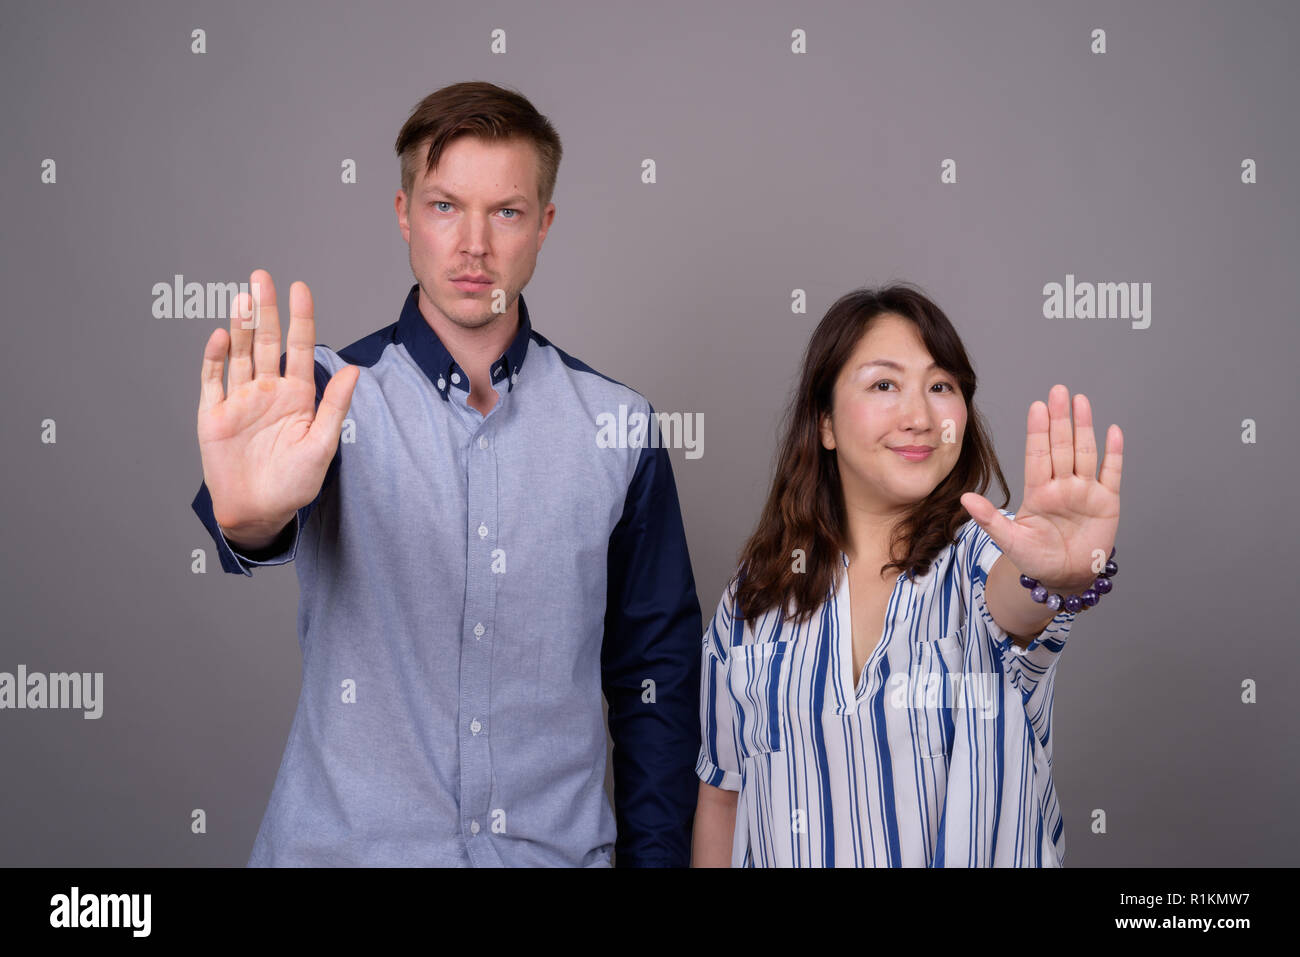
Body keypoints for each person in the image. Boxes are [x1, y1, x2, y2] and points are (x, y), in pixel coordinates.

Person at [190, 81, 703, 867]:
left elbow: (654, 677)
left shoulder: (621, 426)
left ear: (544, 226)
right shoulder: (322, 394)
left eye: (506, 211)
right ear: (403, 215)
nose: (473, 245)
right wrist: (250, 521)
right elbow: (256, 518)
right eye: (443, 207)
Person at [691, 285, 1123, 867]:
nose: (920, 417)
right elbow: (723, 797)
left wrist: (1057, 575)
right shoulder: (758, 594)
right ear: (826, 424)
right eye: (884, 385)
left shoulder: (985, 558)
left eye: (941, 386)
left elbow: (1017, 603)